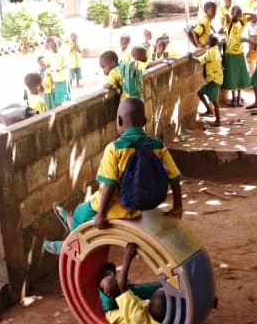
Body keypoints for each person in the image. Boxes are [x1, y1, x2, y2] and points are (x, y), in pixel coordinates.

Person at [44, 97, 183, 255]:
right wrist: (178, 206)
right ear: (144, 120)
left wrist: (101, 213)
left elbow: (109, 184)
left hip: (116, 207)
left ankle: (69, 245)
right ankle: (70, 222)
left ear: (119, 120)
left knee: (81, 211)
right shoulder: (158, 145)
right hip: (140, 206)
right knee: (79, 215)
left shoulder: (114, 148)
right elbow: (174, 177)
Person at [99, 242, 166, 324]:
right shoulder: (158, 318)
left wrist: (128, 257)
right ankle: (121, 286)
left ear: (151, 304)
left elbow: (121, 284)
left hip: (114, 307)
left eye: (152, 297)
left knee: (109, 283)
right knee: (161, 286)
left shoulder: (137, 315)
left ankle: (106, 277)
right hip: (139, 305)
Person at [191, 33, 224, 127]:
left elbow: (200, 60)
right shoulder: (216, 49)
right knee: (200, 93)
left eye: (208, 39)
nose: (206, 41)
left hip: (214, 79)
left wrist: (192, 57)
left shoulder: (211, 52)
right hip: (214, 78)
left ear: (210, 42)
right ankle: (209, 110)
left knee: (215, 101)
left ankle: (218, 120)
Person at [221, 6, 250, 107]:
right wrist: (231, 13)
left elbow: (255, 16)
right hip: (230, 54)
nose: (239, 16)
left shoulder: (242, 22)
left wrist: (244, 12)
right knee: (232, 77)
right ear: (233, 14)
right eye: (237, 14)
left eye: (240, 14)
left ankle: (238, 98)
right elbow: (226, 16)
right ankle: (233, 98)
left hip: (240, 53)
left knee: (240, 76)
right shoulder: (229, 23)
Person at [46, 37, 71, 106]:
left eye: (55, 45)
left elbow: (67, 64)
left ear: (58, 44)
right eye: (51, 46)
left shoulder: (63, 53)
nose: (53, 47)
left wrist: (61, 68)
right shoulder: (49, 55)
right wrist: (49, 69)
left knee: (65, 94)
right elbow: (47, 65)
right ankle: (60, 106)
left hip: (63, 77)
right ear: (49, 46)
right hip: (55, 78)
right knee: (58, 95)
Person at [243, 0, 257, 75]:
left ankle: (253, 72)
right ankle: (252, 72)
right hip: (251, 30)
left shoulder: (254, 3)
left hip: (254, 29)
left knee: (254, 51)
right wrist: (255, 16)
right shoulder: (248, 3)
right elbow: (245, 15)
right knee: (251, 51)